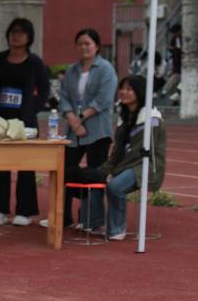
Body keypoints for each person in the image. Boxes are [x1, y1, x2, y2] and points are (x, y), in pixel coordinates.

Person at [65, 75, 167, 240]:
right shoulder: (124, 117)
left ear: (140, 92)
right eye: (122, 88)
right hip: (126, 165)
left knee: (115, 186)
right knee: (90, 177)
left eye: (129, 89)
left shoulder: (152, 118)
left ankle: (117, 229)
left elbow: (138, 153)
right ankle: (93, 223)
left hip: (146, 166)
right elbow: (117, 152)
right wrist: (104, 170)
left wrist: (113, 173)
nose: (123, 92)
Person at [0, 18, 50, 226]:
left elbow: (44, 90)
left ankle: (25, 210)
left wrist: (32, 108)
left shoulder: (35, 63)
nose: (16, 36)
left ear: (29, 37)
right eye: (13, 31)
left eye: (21, 32)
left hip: (25, 121)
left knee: (25, 166)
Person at [55, 28, 117, 231]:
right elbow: (64, 97)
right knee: (64, 170)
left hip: (98, 130)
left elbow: (103, 99)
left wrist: (80, 118)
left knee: (95, 174)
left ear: (97, 46)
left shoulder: (106, 69)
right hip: (74, 131)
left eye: (87, 43)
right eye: (80, 43)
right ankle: (63, 217)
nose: (84, 47)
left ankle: (92, 220)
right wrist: (72, 119)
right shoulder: (71, 71)